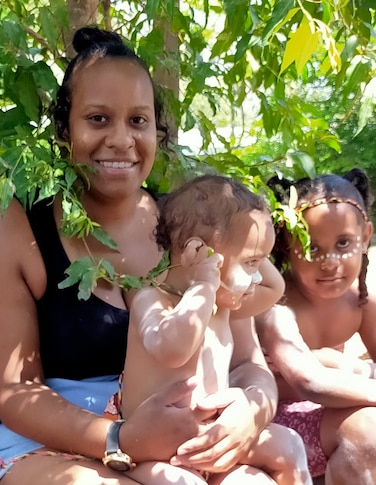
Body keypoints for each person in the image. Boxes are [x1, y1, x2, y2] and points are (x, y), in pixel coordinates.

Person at [0, 27, 280, 485]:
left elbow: (248, 360)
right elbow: (15, 391)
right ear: (62, 129)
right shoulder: (10, 230)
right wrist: (120, 437)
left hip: (181, 444)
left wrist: (252, 410)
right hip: (52, 447)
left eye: (137, 120)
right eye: (97, 119)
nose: (121, 140)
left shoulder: (190, 227)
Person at [112, 175, 311, 485]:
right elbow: (174, 350)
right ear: (200, 253)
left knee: (289, 445)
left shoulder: (224, 303)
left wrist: (257, 237)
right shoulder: (150, 299)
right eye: (250, 263)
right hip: (157, 449)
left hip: (211, 436)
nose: (258, 276)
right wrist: (203, 284)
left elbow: (274, 287)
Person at [256, 169, 376, 484]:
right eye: (312, 247)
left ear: (366, 238)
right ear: (287, 244)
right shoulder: (275, 303)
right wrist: (328, 371)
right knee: (371, 425)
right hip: (276, 432)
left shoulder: (361, 301)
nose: (330, 261)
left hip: (331, 418)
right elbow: (308, 382)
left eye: (343, 243)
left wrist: (348, 368)